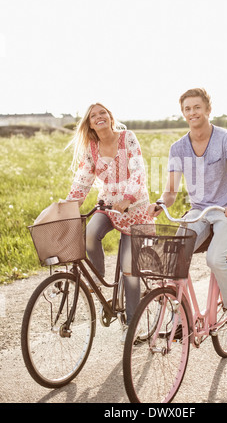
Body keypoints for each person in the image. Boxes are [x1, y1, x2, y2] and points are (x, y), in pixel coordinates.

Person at [148, 88, 227, 333]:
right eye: (187, 109)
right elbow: (171, 190)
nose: (192, 112)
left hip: (226, 210)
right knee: (174, 257)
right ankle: (182, 317)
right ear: (183, 113)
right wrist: (161, 203)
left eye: (197, 107)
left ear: (207, 109)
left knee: (215, 258)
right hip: (198, 211)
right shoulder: (178, 148)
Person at [66, 102, 153, 341]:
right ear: (90, 124)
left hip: (135, 209)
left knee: (129, 269)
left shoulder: (128, 138)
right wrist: (68, 205)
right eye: (93, 116)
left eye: (102, 112)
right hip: (108, 206)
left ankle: (132, 326)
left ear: (110, 117)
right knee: (90, 234)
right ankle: (99, 278)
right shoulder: (92, 148)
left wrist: (127, 198)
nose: (98, 117)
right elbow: (83, 179)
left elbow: (138, 170)